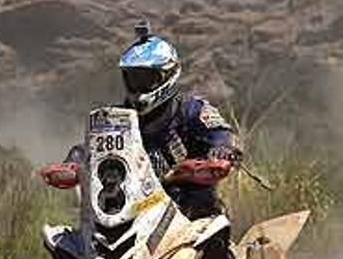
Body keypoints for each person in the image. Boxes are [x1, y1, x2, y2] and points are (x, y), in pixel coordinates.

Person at [44, 22, 242, 219]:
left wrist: (222, 149)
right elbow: (89, 148)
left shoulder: (190, 110)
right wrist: (72, 164)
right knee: (66, 242)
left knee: (214, 230)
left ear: (168, 75)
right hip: (131, 211)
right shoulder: (114, 119)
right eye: (134, 78)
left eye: (146, 79)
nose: (139, 86)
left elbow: (220, 132)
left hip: (189, 208)